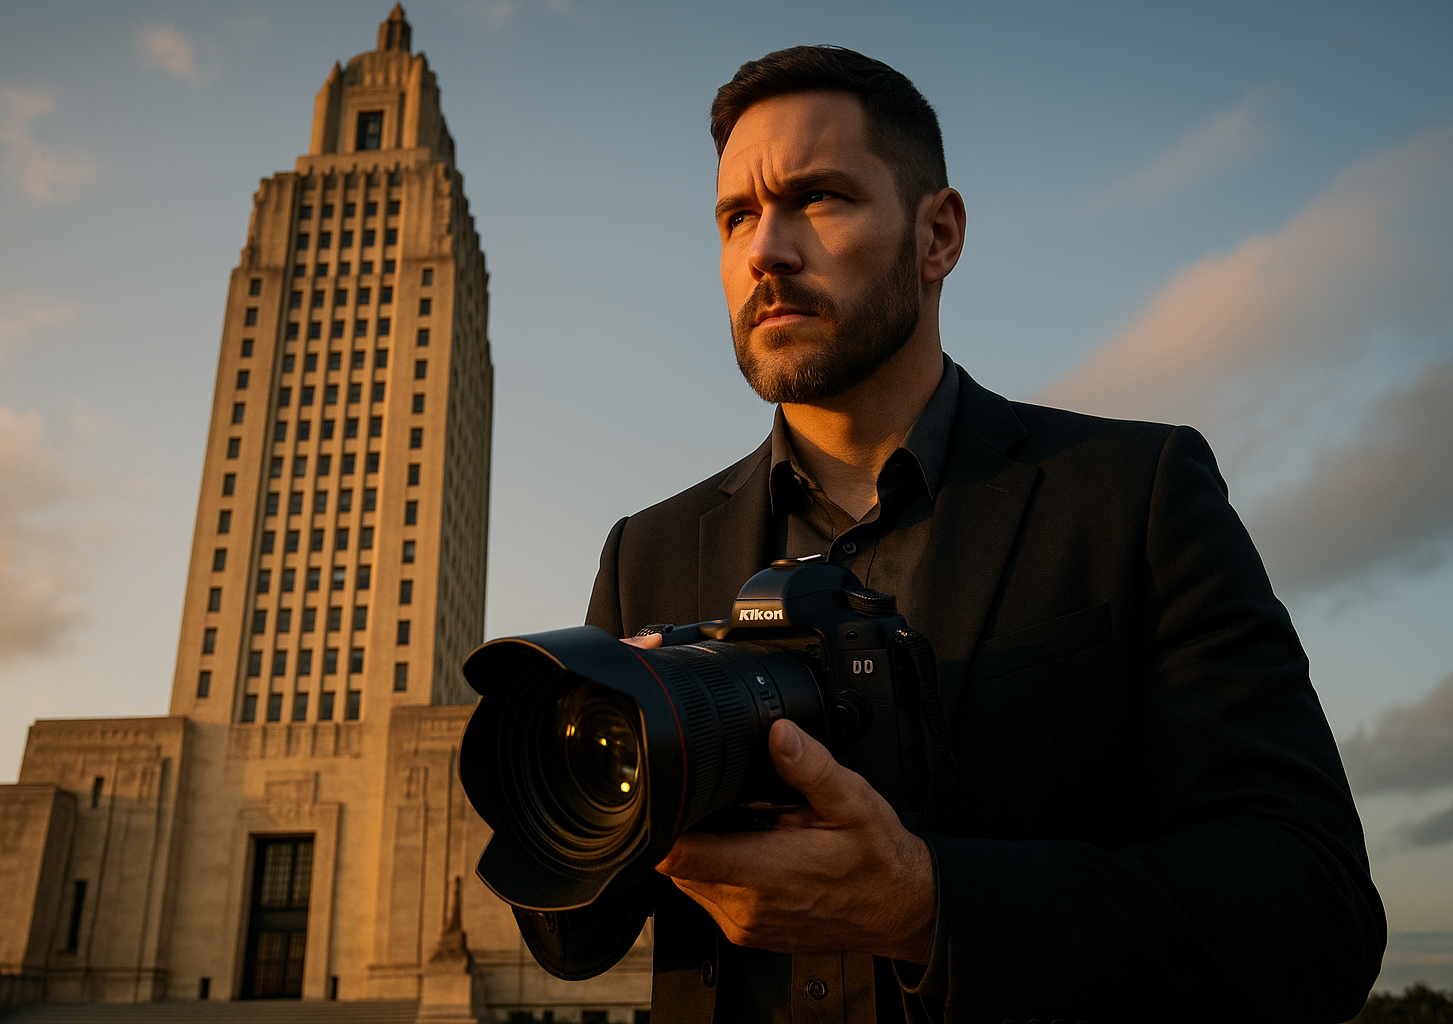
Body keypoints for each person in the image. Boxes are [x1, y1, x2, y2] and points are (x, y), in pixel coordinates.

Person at [578, 46, 1385, 1023]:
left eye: (819, 199)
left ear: (939, 234)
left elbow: (1317, 908)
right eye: (736, 217)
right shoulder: (648, 552)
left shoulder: (1133, 495)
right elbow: (576, 929)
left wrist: (930, 904)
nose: (766, 251)